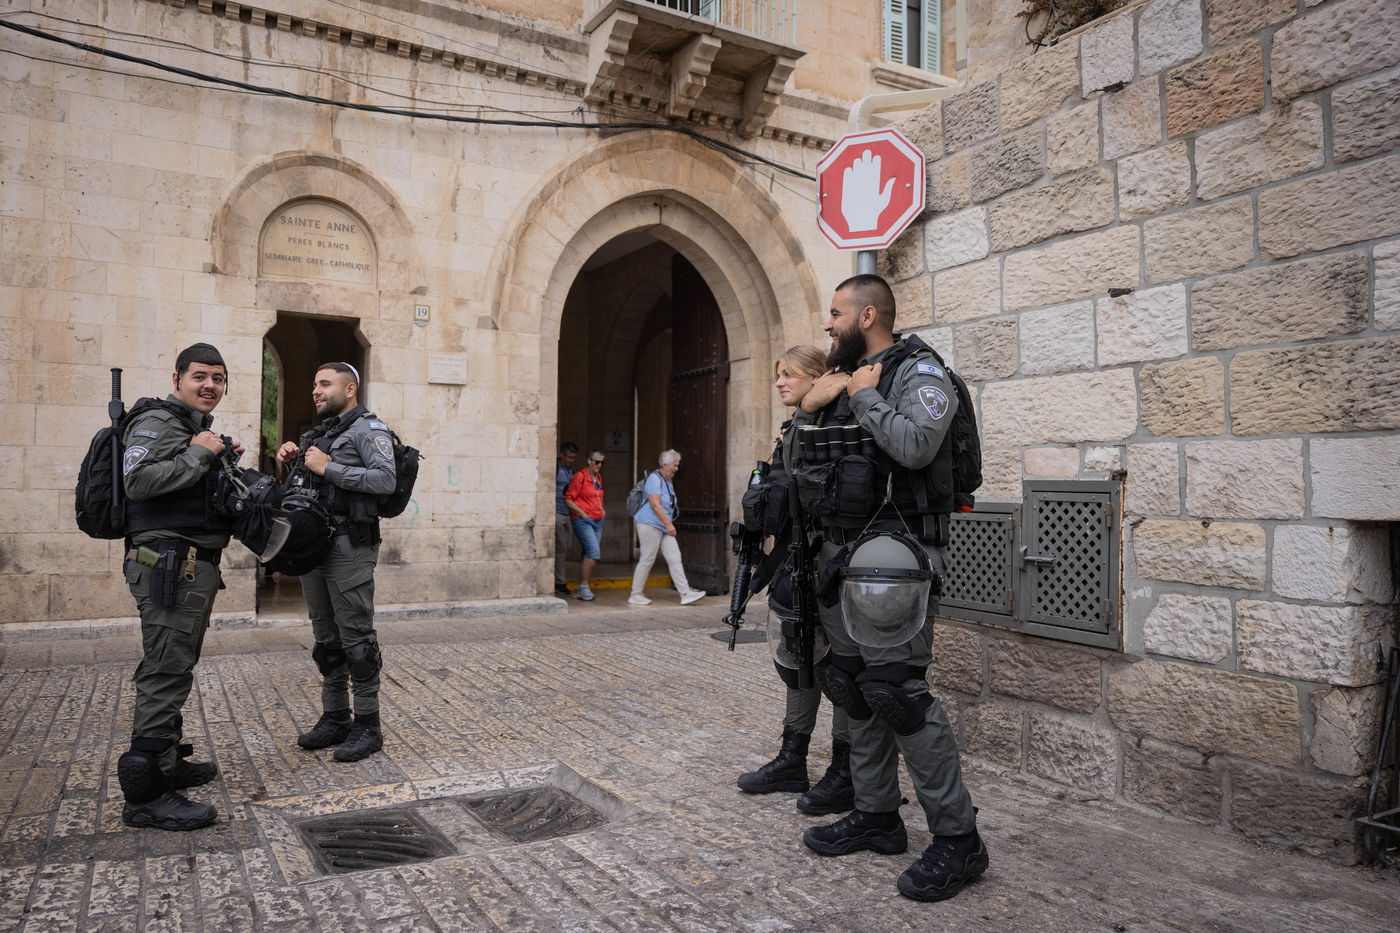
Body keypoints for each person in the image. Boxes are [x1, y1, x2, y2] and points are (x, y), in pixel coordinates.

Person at [793, 275, 987, 902]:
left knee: (897, 690)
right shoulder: (850, 377)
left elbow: (915, 443)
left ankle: (959, 841)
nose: (827, 326)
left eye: (835, 314)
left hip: (898, 554)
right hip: (846, 553)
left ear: (868, 313)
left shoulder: (919, 372)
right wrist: (812, 405)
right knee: (852, 682)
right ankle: (878, 817)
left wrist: (869, 397)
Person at [115, 342, 243, 831]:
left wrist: (214, 458)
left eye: (218, 378)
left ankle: (167, 764)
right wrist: (196, 455)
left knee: (175, 664)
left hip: (187, 566)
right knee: (165, 670)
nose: (209, 385)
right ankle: (145, 795)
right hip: (169, 565)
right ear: (177, 380)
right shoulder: (159, 422)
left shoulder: (192, 428)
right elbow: (139, 481)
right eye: (200, 377)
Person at [736, 345, 853, 816]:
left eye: (791, 375)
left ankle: (845, 772)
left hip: (832, 563)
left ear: (818, 378)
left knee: (840, 670)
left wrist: (807, 414)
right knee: (798, 654)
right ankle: (792, 759)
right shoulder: (798, 424)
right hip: (799, 561)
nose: (781, 383)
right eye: (778, 375)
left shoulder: (833, 420)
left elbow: (817, 486)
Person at [276, 362, 396, 762]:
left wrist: (329, 467)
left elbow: (385, 480)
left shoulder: (369, 430)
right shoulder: (319, 433)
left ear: (350, 389)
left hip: (350, 546)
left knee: (356, 639)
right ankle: (335, 717)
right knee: (326, 640)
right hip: (315, 546)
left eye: (325, 383)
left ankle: (367, 724)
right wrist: (291, 459)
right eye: (314, 383)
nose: (316, 390)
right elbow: (307, 486)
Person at [627, 450, 706, 606]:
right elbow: (655, 504)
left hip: (662, 526)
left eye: (677, 465)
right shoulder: (654, 479)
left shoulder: (667, 480)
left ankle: (685, 593)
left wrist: (667, 525)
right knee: (647, 559)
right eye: (674, 465)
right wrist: (669, 525)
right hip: (649, 524)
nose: (676, 468)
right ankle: (635, 594)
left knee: (675, 558)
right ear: (665, 465)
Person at [563, 450, 606, 601]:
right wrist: (583, 514)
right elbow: (568, 499)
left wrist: (602, 510)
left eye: (602, 462)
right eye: (596, 462)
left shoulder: (598, 477)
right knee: (594, 552)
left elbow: (597, 497)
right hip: (583, 520)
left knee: (588, 553)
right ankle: (584, 587)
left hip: (597, 520)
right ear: (589, 461)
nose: (599, 465)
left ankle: (581, 586)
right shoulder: (580, 476)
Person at [555, 442, 578, 595]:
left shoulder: (571, 471)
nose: (570, 460)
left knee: (565, 547)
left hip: (567, 512)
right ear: (562, 454)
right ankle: (559, 581)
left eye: (573, 458)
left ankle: (558, 579)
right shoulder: (555, 467)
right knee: (561, 548)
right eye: (569, 457)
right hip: (556, 512)